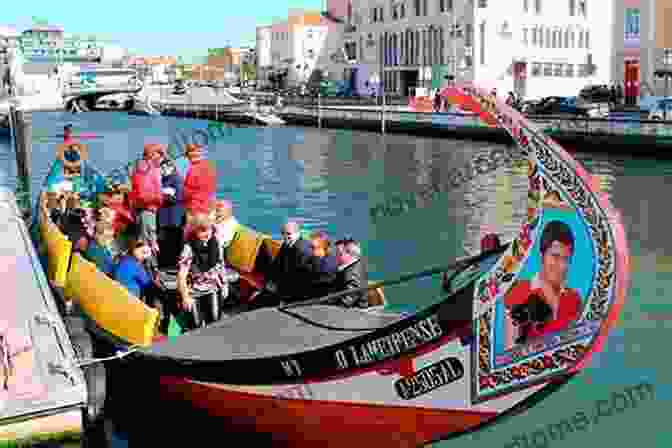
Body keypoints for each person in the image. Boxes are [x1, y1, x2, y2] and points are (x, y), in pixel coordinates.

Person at [503, 221, 582, 350]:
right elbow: (511, 353)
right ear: (542, 255)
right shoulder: (517, 291)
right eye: (555, 257)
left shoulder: (575, 299)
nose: (562, 266)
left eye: (566, 259)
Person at [176, 215, 239, 328]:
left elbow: (220, 266)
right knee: (196, 325)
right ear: (194, 231)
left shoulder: (216, 244)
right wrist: (185, 297)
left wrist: (224, 285)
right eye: (202, 231)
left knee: (214, 321)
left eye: (209, 229)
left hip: (213, 288)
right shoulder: (189, 248)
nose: (207, 233)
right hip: (194, 291)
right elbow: (181, 275)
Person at [256, 220, 312, 307]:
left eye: (289, 234)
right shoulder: (286, 245)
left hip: (297, 289)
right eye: (283, 233)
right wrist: (270, 281)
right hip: (284, 283)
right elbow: (277, 264)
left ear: (298, 233)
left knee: (262, 301)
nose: (285, 236)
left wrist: (277, 286)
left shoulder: (303, 249)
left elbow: (299, 276)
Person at [129, 144, 165, 268]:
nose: (161, 156)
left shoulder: (143, 168)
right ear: (151, 154)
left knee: (146, 240)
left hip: (144, 209)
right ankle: (150, 269)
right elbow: (144, 195)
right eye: (159, 153)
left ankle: (149, 269)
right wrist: (160, 198)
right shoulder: (147, 169)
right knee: (149, 240)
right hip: (147, 209)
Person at [303, 230, 339, 301]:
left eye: (313, 247)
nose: (310, 250)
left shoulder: (330, 263)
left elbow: (320, 281)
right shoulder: (313, 258)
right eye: (310, 247)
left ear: (323, 247)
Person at [333, 238, 368, 308]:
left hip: (355, 310)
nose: (337, 257)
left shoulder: (353, 271)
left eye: (339, 254)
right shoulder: (348, 267)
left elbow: (352, 294)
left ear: (349, 254)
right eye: (336, 253)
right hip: (346, 304)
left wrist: (338, 306)